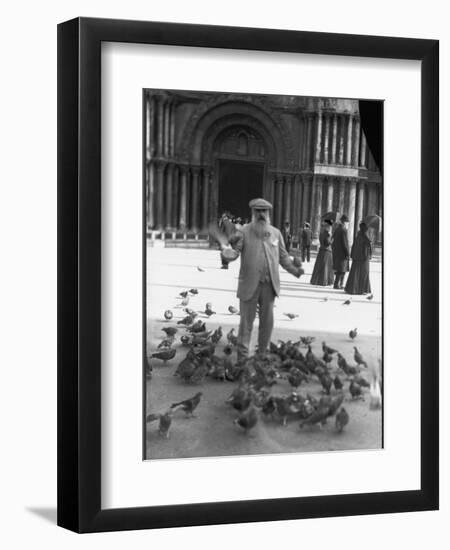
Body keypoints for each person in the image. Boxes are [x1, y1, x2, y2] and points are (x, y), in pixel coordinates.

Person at [221, 198, 304, 361]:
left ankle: (262, 357)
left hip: (269, 285)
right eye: (257, 211)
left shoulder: (276, 233)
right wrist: (227, 255)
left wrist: (295, 270)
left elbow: (283, 257)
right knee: (246, 324)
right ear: (253, 213)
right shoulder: (243, 231)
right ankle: (243, 361)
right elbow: (235, 251)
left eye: (263, 211)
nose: (261, 214)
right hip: (249, 284)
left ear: (268, 213)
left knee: (267, 324)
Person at [345, 222, 372, 294]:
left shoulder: (359, 235)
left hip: (357, 258)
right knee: (364, 273)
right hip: (363, 259)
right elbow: (366, 248)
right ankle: (362, 289)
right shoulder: (364, 236)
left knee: (355, 273)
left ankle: (352, 289)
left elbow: (355, 246)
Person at [310, 219, 334, 286]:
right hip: (327, 251)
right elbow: (327, 242)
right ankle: (324, 281)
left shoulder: (321, 232)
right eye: (330, 227)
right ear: (328, 226)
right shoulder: (327, 233)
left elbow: (321, 241)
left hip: (321, 250)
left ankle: (316, 280)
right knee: (326, 267)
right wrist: (332, 239)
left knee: (319, 266)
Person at [331, 214, 350, 289]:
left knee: (340, 269)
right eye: (347, 222)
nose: (348, 224)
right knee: (342, 269)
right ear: (344, 222)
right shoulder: (343, 230)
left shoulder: (337, 229)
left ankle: (339, 284)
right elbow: (345, 243)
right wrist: (347, 253)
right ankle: (338, 284)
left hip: (337, 252)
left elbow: (333, 240)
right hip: (342, 253)